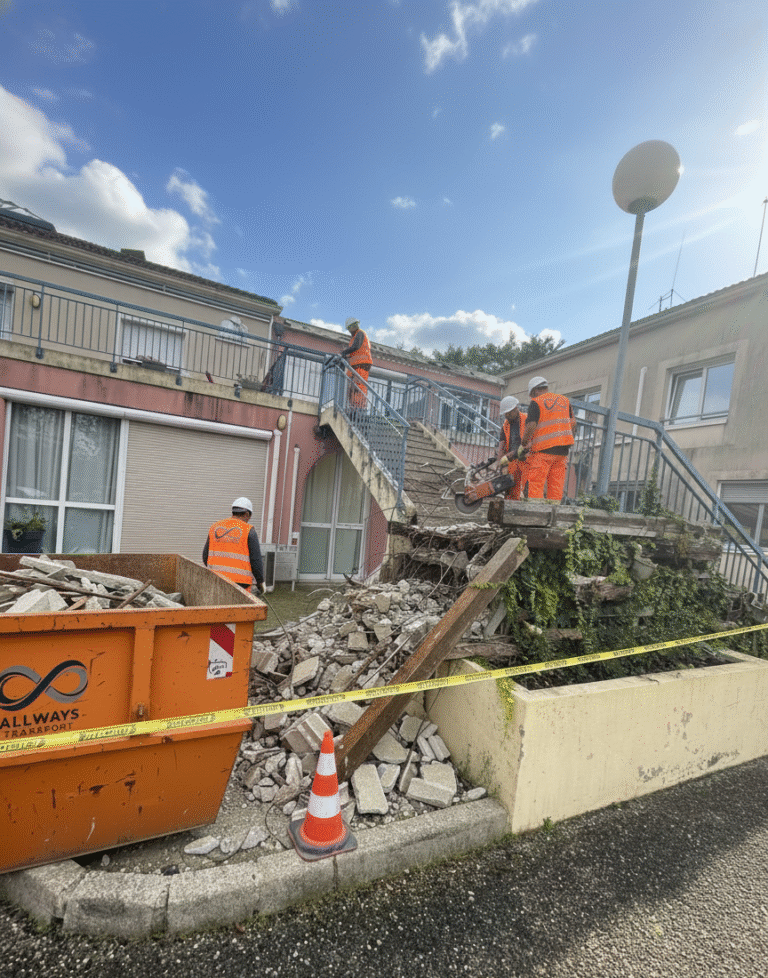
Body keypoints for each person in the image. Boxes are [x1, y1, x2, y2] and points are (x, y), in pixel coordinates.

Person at [520, 376, 576, 502]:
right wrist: (568, 440)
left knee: (536, 484)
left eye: (531, 395)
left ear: (534, 391)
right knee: (556, 487)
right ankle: (553, 515)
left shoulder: (537, 402)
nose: (532, 398)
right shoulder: (564, 401)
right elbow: (573, 424)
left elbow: (531, 425)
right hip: (562, 452)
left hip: (543, 451)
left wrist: (524, 442)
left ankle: (536, 514)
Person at [203, 497, 266, 593]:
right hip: (240, 585)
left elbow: (205, 556)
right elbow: (256, 561)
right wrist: (260, 582)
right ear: (247, 514)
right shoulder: (249, 531)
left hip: (216, 580)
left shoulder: (215, 527)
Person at [496, 395, 528, 500]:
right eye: (505, 414)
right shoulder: (505, 425)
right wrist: (499, 463)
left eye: (509, 413)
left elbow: (531, 442)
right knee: (511, 491)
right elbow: (502, 446)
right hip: (513, 462)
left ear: (515, 409)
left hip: (527, 461)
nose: (507, 416)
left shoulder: (527, 420)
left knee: (527, 490)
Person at [340, 316, 372, 414]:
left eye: (350, 328)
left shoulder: (360, 333)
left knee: (358, 387)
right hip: (355, 365)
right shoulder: (353, 337)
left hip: (361, 364)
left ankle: (359, 409)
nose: (350, 331)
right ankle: (353, 407)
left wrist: (344, 352)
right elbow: (353, 351)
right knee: (352, 387)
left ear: (352, 327)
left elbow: (356, 347)